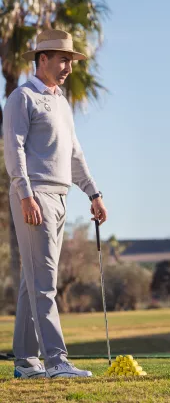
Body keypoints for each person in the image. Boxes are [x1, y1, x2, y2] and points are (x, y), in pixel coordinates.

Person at [3, 29, 108, 379]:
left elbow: (74, 152)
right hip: (35, 197)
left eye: (70, 61)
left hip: (61, 196)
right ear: (42, 59)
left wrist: (93, 193)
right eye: (62, 59)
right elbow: (14, 149)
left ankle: (26, 362)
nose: (67, 66)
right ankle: (57, 361)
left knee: (32, 282)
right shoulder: (22, 97)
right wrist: (25, 194)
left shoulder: (62, 102)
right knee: (45, 281)